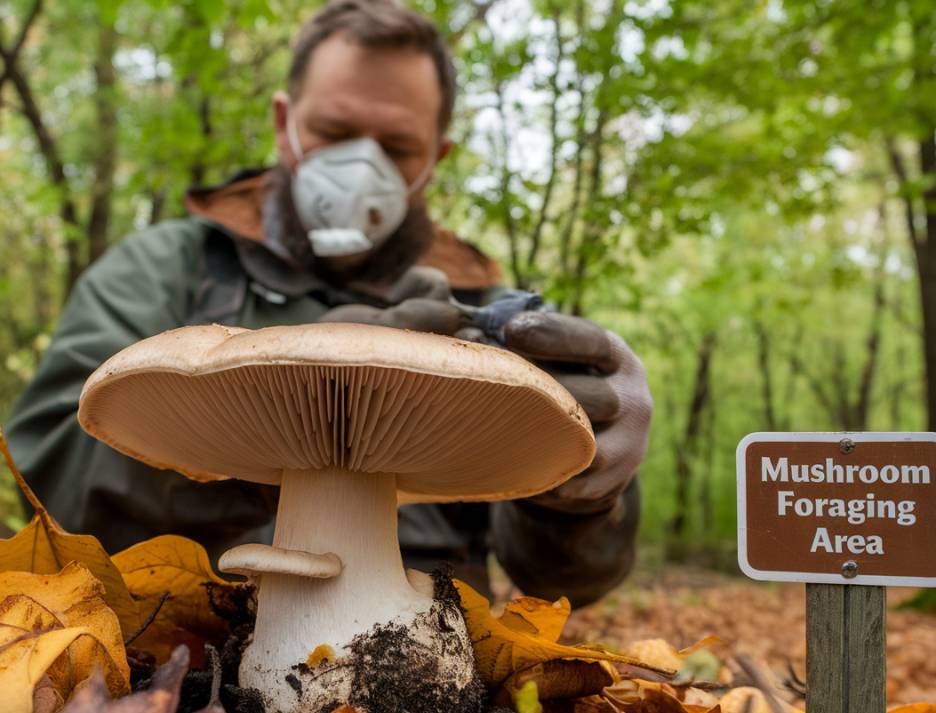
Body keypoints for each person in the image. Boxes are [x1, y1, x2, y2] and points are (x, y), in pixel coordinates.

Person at [3, 0, 652, 606]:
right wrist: (264, 418)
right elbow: (49, 474)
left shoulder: (482, 313)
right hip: (172, 636)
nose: (360, 165)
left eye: (396, 148)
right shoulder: (165, 268)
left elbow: (563, 582)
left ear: (437, 157)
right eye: (334, 131)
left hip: (446, 671)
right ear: (285, 125)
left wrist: (584, 496)